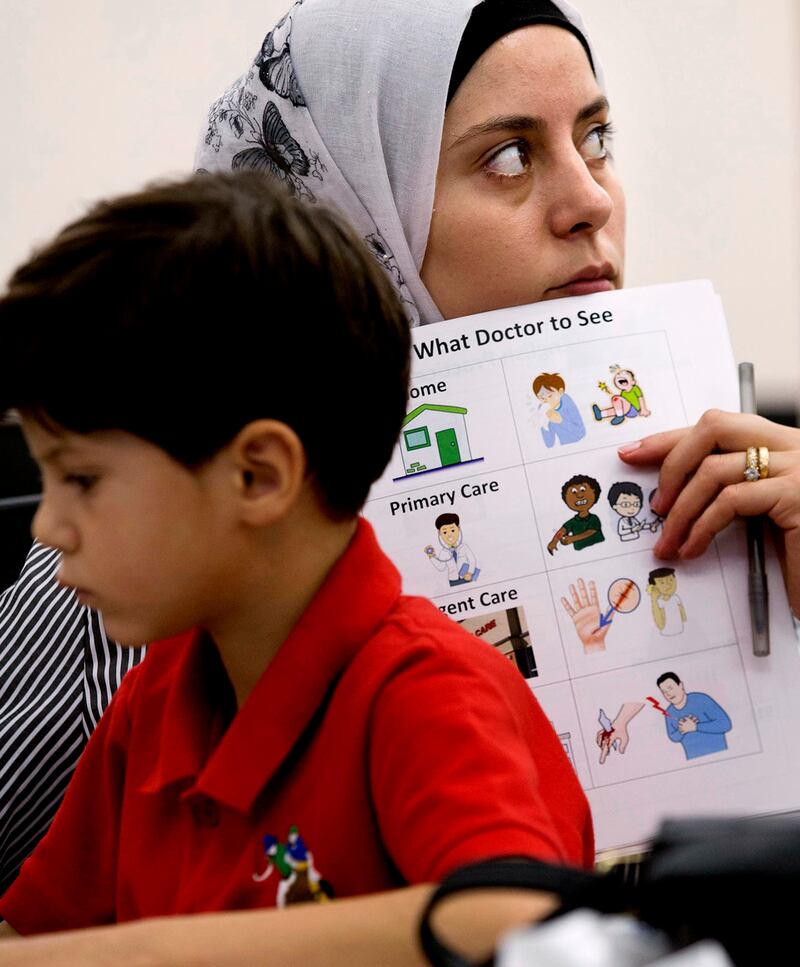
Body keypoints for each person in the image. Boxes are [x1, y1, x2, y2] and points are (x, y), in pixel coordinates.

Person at [3, 0, 800, 947]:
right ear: (350, 206)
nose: (592, 197)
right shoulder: (150, 566)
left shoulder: (740, 482)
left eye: (598, 136)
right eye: (506, 156)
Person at [0, 173, 589, 962]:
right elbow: (37, 934)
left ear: (258, 475)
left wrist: (150, 952)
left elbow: (515, 922)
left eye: (81, 479)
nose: (48, 526)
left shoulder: (419, 687)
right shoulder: (155, 697)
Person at [657, 672, 732, 760]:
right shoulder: (669, 712)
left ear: (680, 685)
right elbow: (673, 737)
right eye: (664, 692)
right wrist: (682, 729)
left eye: (670, 688)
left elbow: (725, 724)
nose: (669, 694)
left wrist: (696, 727)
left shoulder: (701, 699)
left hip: (721, 755)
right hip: (694, 759)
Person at [547, 474, 604, 554]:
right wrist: (554, 541)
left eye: (583, 490)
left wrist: (572, 539)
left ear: (594, 492)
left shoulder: (593, 518)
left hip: (600, 550)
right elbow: (562, 531)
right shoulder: (572, 522)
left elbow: (591, 531)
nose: (579, 495)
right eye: (573, 492)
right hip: (580, 555)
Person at [424, 512, 480, 585]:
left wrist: (470, 573)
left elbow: (472, 560)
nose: (449, 535)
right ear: (439, 533)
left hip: (467, 577)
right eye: (444, 532)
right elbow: (441, 567)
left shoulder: (463, 546)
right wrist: (431, 556)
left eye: (452, 530)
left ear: (458, 528)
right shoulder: (444, 552)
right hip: (453, 580)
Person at [532, 372, 586, 448]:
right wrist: (544, 425)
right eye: (542, 398)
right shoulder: (543, 409)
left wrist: (561, 421)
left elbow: (581, 433)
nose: (547, 401)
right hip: (564, 448)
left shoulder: (566, 400)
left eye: (550, 396)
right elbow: (549, 444)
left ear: (560, 392)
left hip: (581, 444)